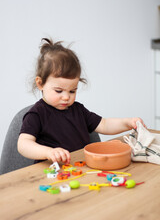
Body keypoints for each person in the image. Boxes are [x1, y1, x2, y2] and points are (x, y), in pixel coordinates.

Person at [17, 38, 146, 164]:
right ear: (40, 84)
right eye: (58, 91)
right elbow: (23, 144)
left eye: (72, 91)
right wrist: (48, 152)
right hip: (51, 174)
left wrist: (127, 123)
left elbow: (104, 124)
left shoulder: (78, 110)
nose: (66, 97)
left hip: (80, 170)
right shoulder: (37, 114)